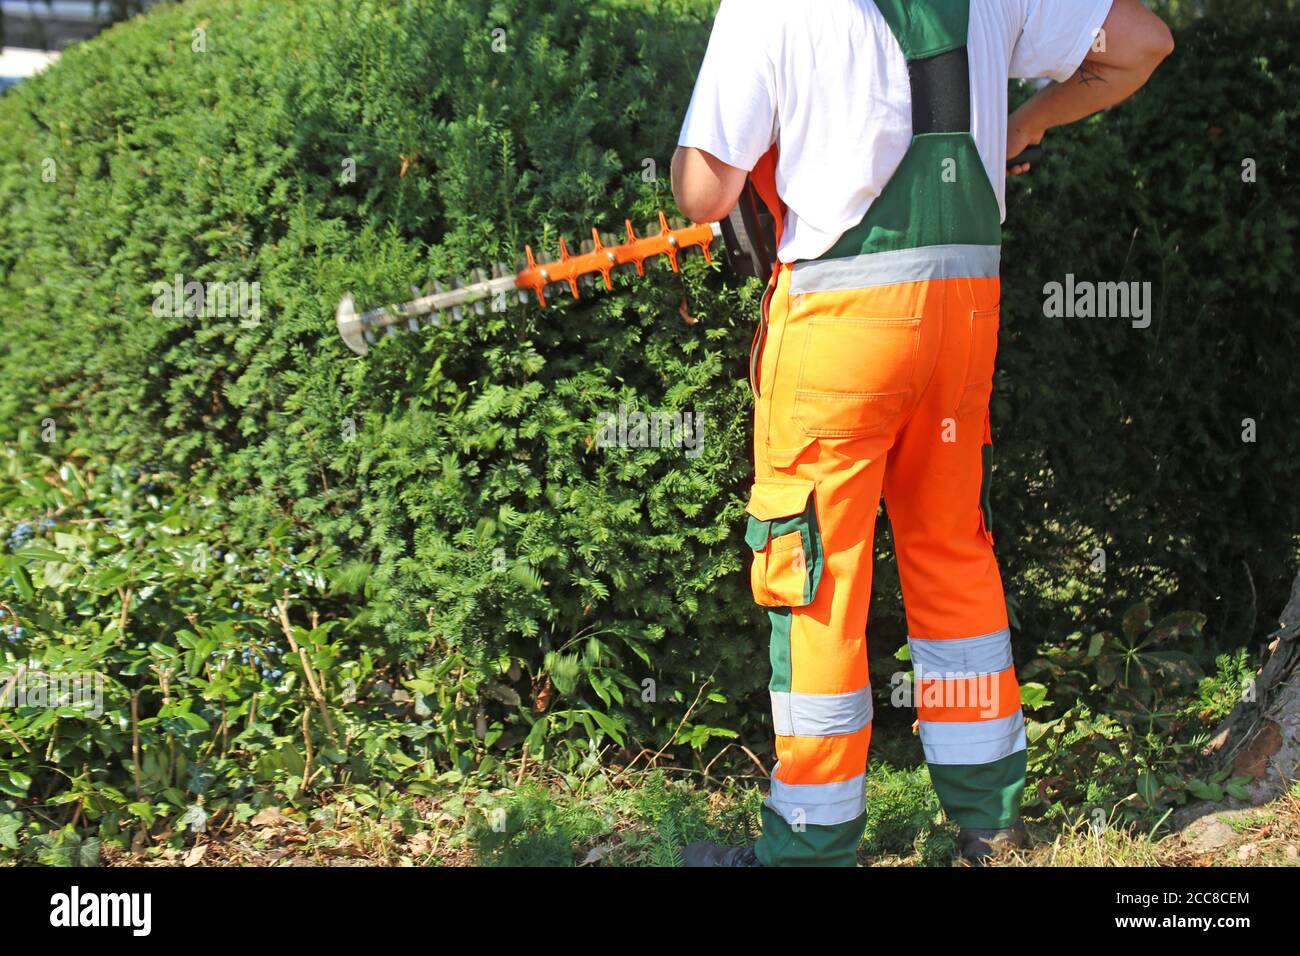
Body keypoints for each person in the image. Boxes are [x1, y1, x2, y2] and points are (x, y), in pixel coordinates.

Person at [671, 0, 1174, 867]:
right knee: (952, 551)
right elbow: (1141, 43)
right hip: (961, 308)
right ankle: (992, 824)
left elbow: (705, 191)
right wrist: (1028, 118)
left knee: (815, 572)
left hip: (838, 318)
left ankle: (811, 843)